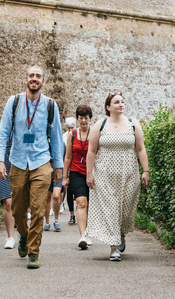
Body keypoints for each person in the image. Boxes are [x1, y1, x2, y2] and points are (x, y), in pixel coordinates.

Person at [0, 66, 64, 269]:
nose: (34, 79)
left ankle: (34, 252)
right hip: (17, 161)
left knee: (37, 208)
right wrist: (1, 160)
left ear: (43, 82)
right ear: (26, 79)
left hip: (41, 161)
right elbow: (4, 132)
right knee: (16, 209)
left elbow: (57, 138)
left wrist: (58, 166)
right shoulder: (14, 102)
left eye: (38, 76)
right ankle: (23, 236)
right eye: (31, 76)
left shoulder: (50, 105)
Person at [85, 92, 150, 261]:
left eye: (122, 102)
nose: (121, 104)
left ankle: (120, 235)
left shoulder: (133, 124)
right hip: (104, 175)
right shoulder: (100, 125)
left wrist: (146, 171)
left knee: (125, 211)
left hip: (129, 174)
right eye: (116, 102)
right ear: (108, 107)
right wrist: (89, 174)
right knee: (110, 209)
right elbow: (91, 151)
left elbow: (141, 149)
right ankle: (114, 247)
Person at [62, 104, 93, 249]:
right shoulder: (72, 134)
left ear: (90, 119)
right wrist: (65, 177)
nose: (84, 121)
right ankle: (83, 236)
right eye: (81, 118)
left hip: (92, 173)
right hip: (76, 172)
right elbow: (68, 157)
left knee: (90, 205)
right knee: (81, 202)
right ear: (77, 119)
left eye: (86, 118)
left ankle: (88, 231)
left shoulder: (95, 133)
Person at [62, 117, 77, 223]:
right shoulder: (63, 137)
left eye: (71, 127)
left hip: (77, 165)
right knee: (69, 190)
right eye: (68, 128)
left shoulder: (77, 134)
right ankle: (72, 215)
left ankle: (80, 211)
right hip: (67, 165)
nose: (69, 129)